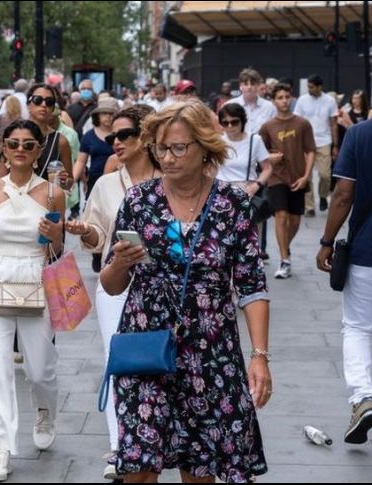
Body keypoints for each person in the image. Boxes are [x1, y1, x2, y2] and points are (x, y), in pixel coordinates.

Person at [100, 100, 271, 483]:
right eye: (161, 148)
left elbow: (252, 285)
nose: (168, 157)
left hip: (211, 352)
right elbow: (111, 285)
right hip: (147, 346)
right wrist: (121, 262)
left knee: (200, 468)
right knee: (140, 465)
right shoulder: (139, 201)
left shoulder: (233, 203)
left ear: (204, 147)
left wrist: (259, 356)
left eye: (179, 147)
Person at [0, 119, 65, 482]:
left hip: (36, 279)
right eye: (13, 143)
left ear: (38, 152)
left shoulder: (53, 194)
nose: (20, 149)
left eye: (28, 144)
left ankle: (45, 409)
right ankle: (0, 447)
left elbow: (58, 250)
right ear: (3, 148)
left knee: (39, 369)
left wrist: (55, 235)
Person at [65, 105, 159, 480]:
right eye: (111, 138)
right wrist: (85, 232)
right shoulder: (106, 183)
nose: (115, 143)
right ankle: (121, 445)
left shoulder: (169, 177)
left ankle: (159, 435)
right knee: (116, 359)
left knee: (162, 357)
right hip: (116, 282)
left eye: (124, 136)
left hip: (161, 284)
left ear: (145, 138)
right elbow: (98, 236)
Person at [316, 119, 372, 445]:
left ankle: (363, 398)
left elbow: (343, 194)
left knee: (357, 327)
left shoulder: (360, 134)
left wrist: (327, 240)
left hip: (367, 251)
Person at [259, 83, 315, 279]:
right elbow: (260, 154)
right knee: (281, 216)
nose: (284, 100)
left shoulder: (302, 124)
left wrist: (306, 176)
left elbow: (310, 151)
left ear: (291, 98)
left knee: (295, 220)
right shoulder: (267, 127)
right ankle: (284, 260)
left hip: (297, 176)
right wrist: (270, 158)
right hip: (276, 177)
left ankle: (285, 248)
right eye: (280, 97)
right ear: (273, 101)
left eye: (287, 96)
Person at [72, 96, 119, 272]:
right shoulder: (89, 136)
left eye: (111, 114)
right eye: (104, 114)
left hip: (117, 181)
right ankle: (97, 253)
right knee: (96, 216)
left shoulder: (120, 136)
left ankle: (110, 250)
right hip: (95, 182)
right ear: (97, 116)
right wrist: (72, 180)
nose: (107, 117)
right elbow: (81, 161)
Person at [293, 74, 339, 215]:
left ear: (320, 87)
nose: (309, 89)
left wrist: (335, 145)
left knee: (325, 175)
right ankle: (310, 207)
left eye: (311, 87)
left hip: (324, 141)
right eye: (308, 86)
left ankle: (323, 196)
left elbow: (333, 124)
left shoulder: (330, 101)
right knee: (307, 175)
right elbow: (297, 121)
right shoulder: (302, 100)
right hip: (306, 142)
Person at [217, 103, 275, 194]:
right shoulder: (217, 141)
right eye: (225, 123)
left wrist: (256, 185)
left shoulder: (255, 140)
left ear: (242, 121)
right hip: (221, 192)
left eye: (234, 122)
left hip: (247, 191)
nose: (230, 126)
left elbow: (267, 168)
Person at [226, 68, 277, 136]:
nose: (249, 87)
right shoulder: (229, 105)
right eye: (246, 84)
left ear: (258, 86)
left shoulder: (270, 107)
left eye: (252, 84)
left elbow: (274, 131)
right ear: (240, 86)